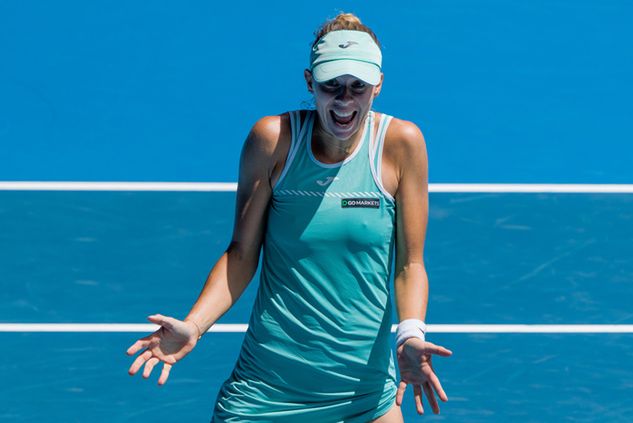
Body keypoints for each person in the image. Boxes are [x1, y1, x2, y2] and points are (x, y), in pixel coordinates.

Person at [126, 12, 452, 422]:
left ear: (378, 85)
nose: (345, 100)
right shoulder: (274, 141)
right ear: (308, 82)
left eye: (358, 87)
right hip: (265, 392)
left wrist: (410, 335)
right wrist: (194, 325)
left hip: (366, 398)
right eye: (331, 85)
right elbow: (242, 252)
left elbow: (410, 263)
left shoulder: (401, 144)